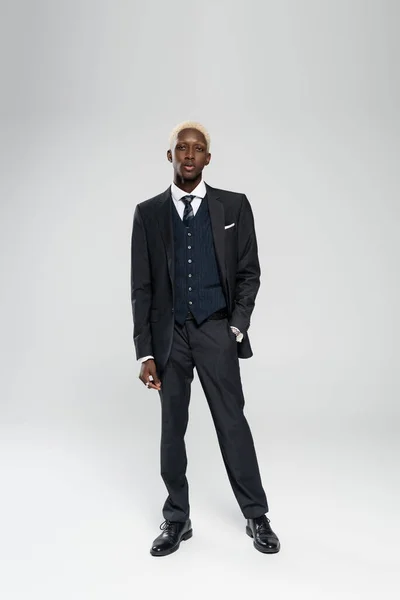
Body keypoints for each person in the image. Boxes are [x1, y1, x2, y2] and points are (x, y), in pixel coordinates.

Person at [130, 121, 280, 557]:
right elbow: (142, 287)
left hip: (216, 330)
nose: (190, 154)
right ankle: (177, 518)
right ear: (171, 156)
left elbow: (249, 272)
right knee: (172, 429)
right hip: (169, 337)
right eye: (182, 148)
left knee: (232, 424)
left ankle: (256, 514)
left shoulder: (233, 206)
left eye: (197, 149)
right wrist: (145, 351)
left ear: (208, 159)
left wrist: (235, 326)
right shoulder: (149, 212)